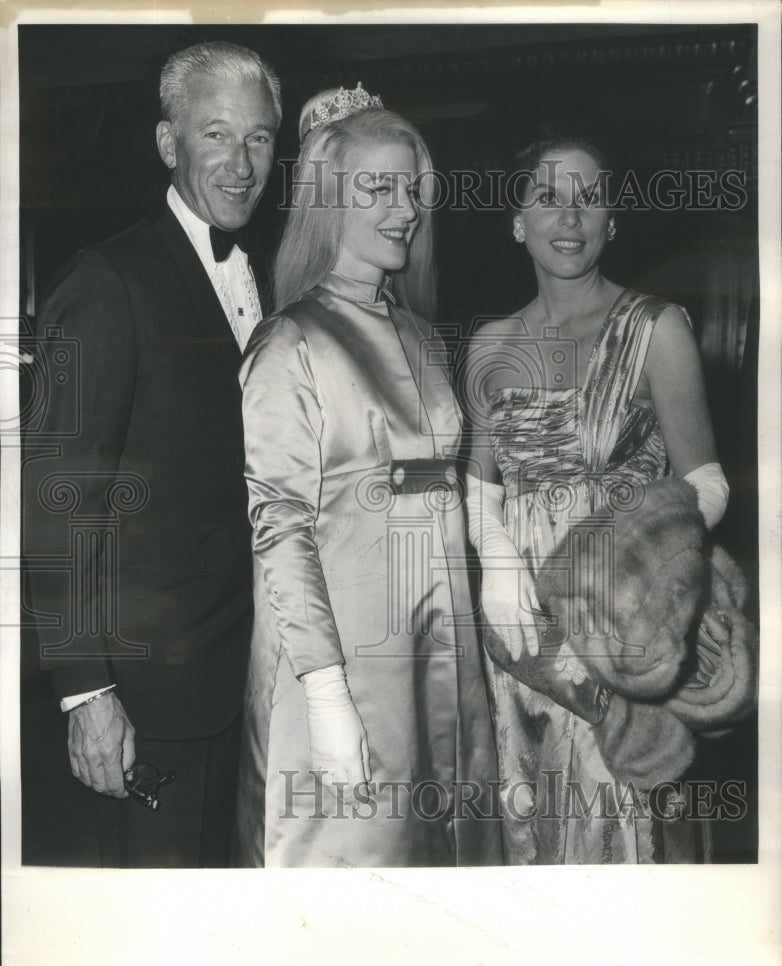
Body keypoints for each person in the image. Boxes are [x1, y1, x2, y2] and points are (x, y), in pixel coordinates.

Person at [24, 41, 281, 867]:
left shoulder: (273, 279)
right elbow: (54, 499)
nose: (241, 165)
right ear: (168, 144)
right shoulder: (108, 280)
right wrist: (85, 692)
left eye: (260, 139)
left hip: (251, 684)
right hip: (147, 700)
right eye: (217, 136)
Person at [234, 85, 502, 867]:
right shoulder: (289, 344)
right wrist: (323, 693)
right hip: (344, 662)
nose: (405, 210)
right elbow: (278, 529)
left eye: (412, 190)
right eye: (378, 189)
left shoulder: (424, 337)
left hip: (441, 648)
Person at [462, 132, 733, 864]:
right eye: (548, 197)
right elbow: (480, 482)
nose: (570, 217)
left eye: (588, 198)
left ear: (613, 221)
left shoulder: (657, 328)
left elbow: (707, 480)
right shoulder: (489, 344)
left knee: (617, 823)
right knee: (529, 831)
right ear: (517, 221)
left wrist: (639, 556)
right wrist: (496, 564)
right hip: (520, 632)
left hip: (621, 620)